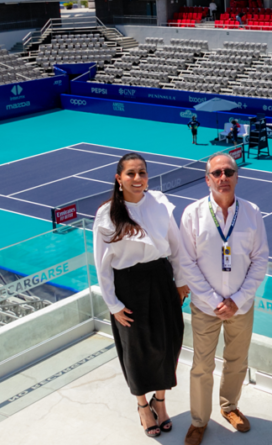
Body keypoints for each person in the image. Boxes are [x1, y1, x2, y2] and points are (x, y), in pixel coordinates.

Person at [94, 153, 191, 438]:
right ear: (119, 178)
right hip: (128, 288)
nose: (138, 179)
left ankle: (160, 401)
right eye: (131, 174)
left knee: (167, 345)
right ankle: (142, 405)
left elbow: (177, 245)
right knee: (135, 351)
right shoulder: (107, 213)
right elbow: (102, 264)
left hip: (162, 281)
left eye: (142, 173)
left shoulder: (160, 203)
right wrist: (113, 304)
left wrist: (181, 281)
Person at [179, 153, 269, 445]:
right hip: (206, 308)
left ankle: (229, 407)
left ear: (237, 177)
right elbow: (187, 264)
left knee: (237, 360)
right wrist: (214, 300)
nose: (223, 178)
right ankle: (198, 421)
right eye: (216, 173)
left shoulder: (253, 212)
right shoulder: (192, 214)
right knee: (201, 366)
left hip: (241, 307)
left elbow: (260, 260)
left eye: (229, 172)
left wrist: (238, 300)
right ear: (207, 179)